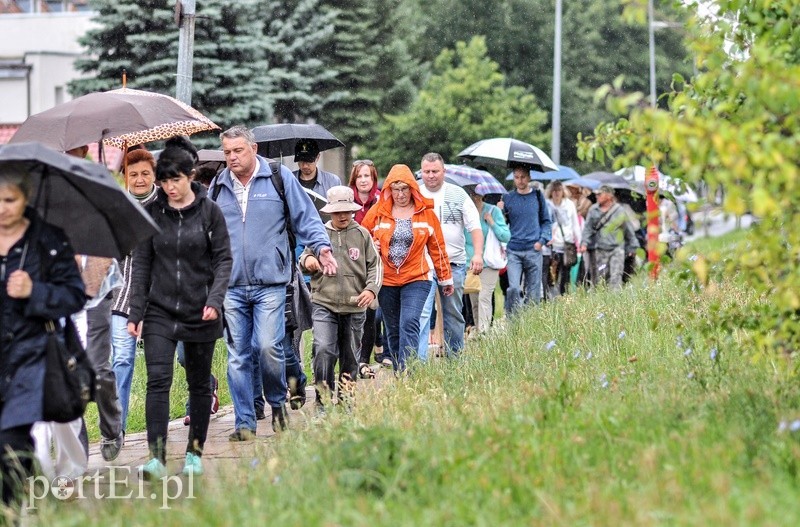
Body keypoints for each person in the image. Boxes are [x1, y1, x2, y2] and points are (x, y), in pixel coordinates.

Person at [210, 125, 337, 441]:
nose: (232, 158)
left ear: (253, 149)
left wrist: (321, 248)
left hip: (271, 282)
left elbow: (307, 218)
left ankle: (278, 401)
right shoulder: (218, 185)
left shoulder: (278, 178)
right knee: (238, 355)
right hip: (232, 285)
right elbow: (207, 232)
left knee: (267, 347)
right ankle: (244, 422)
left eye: (238, 150)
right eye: (227, 152)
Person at [127, 146, 232, 479]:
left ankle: (193, 454)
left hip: (200, 310)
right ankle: (156, 458)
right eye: (164, 181)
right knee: (158, 381)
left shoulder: (210, 212)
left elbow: (223, 260)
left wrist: (214, 300)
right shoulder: (153, 214)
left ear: (190, 176)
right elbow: (142, 264)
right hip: (159, 310)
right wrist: (135, 312)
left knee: (199, 384)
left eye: (175, 180)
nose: (169, 187)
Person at [0, 172, 85, 514]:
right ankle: (31, 491)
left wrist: (35, 291)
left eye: (10, 200)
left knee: (10, 439)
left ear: (26, 200)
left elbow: (75, 295)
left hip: (31, 355)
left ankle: (14, 512)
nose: (2, 209)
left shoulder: (48, 241)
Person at [361, 164, 453, 371]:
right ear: (388, 190)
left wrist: (445, 279)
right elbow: (361, 237)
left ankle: (408, 372)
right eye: (395, 189)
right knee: (392, 329)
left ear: (412, 188)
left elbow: (438, 248)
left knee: (410, 322)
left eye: (404, 189)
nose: (400, 194)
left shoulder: (426, 213)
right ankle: (399, 370)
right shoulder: (378, 212)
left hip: (417, 277)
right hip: (386, 279)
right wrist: (372, 246)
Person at [300, 186, 381, 405]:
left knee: (350, 356)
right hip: (323, 302)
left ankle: (346, 400)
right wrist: (310, 262)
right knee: (324, 349)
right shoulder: (320, 233)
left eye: (347, 211)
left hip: (355, 305)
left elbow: (375, 265)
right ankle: (323, 400)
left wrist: (370, 289)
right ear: (330, 212)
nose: (343, 215)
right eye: (337, 212)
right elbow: (304, 259)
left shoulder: (362, 234)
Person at [110, 149, 159, 436]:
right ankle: (117, 428)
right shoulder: (116, 207)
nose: (139, 180)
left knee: (167, 363)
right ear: (124, 177)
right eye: (133, 174)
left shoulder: (166, 206)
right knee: (122, 359)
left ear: (153, 175)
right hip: (121, 297)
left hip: (158, 299)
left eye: (144, 174)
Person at [417, 153, 483, 359]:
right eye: (426, 172)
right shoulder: (414, 193)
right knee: (422, 313)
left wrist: (478, 254)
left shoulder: (458, 194)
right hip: (422, 264)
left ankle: (455, 359)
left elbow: (475, 227)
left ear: (443, 171)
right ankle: (418, 363)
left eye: (435, 171)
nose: (431, 176)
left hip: (453, 263)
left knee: (453, 313)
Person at [348, 159, 388, 368]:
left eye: (368, 176)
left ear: (374, 179)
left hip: (376, 263)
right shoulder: (346, 200)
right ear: (354, 179)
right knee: (357, 313)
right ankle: (356, 359)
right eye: (360, 176)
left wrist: (378, 241)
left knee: (374, 312)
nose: (364, 180)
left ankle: (364, 359)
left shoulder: (382, 201)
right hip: (352, 264)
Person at [502, 166, 552, 313]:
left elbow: (546, 221)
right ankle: (513, 321)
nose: (520, 180)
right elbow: (502, 223)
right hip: (514, 250)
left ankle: (531, 320)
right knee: (514, 288)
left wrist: (542, 241)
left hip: (533, 249)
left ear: (529, 177)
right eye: (516, 177)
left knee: (534, 290)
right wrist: (500, 210)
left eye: (523, 177)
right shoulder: (508, 197)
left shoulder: (537, 196)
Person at [464, 185, 510, 333]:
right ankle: (478, 330)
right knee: (474, 300)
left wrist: (491, 222)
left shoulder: (493, 211)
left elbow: (505, 235)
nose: (474, 197)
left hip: (489, 262)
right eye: (471, 194)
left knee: (484, 297)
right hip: (470, 263)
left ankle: (484, 332)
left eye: (476, 194)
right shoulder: (465, 213)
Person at [579, 185, 638, 290]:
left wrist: (632, 246)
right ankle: (604, 300)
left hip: (617, 249)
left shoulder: (619, 210)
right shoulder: (593, 210)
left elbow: (628, 229)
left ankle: (615, 300)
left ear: (609, 196)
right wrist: (584, 243)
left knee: (616, 275)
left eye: (600, 194)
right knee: (601, 277)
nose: (597, 196)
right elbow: (588, 228)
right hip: (600, 250)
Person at [545, 180, 581, 297]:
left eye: (559, 190)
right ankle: (552, 297)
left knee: (565, 274)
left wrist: (579, 241)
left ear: (562, 191)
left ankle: (564, 296)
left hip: (567, 244)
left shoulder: (569, 204)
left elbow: (575, 224)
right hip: (552, 245)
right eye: (554, 190)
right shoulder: (547, 204)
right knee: (551, 274)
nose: (556, 193)